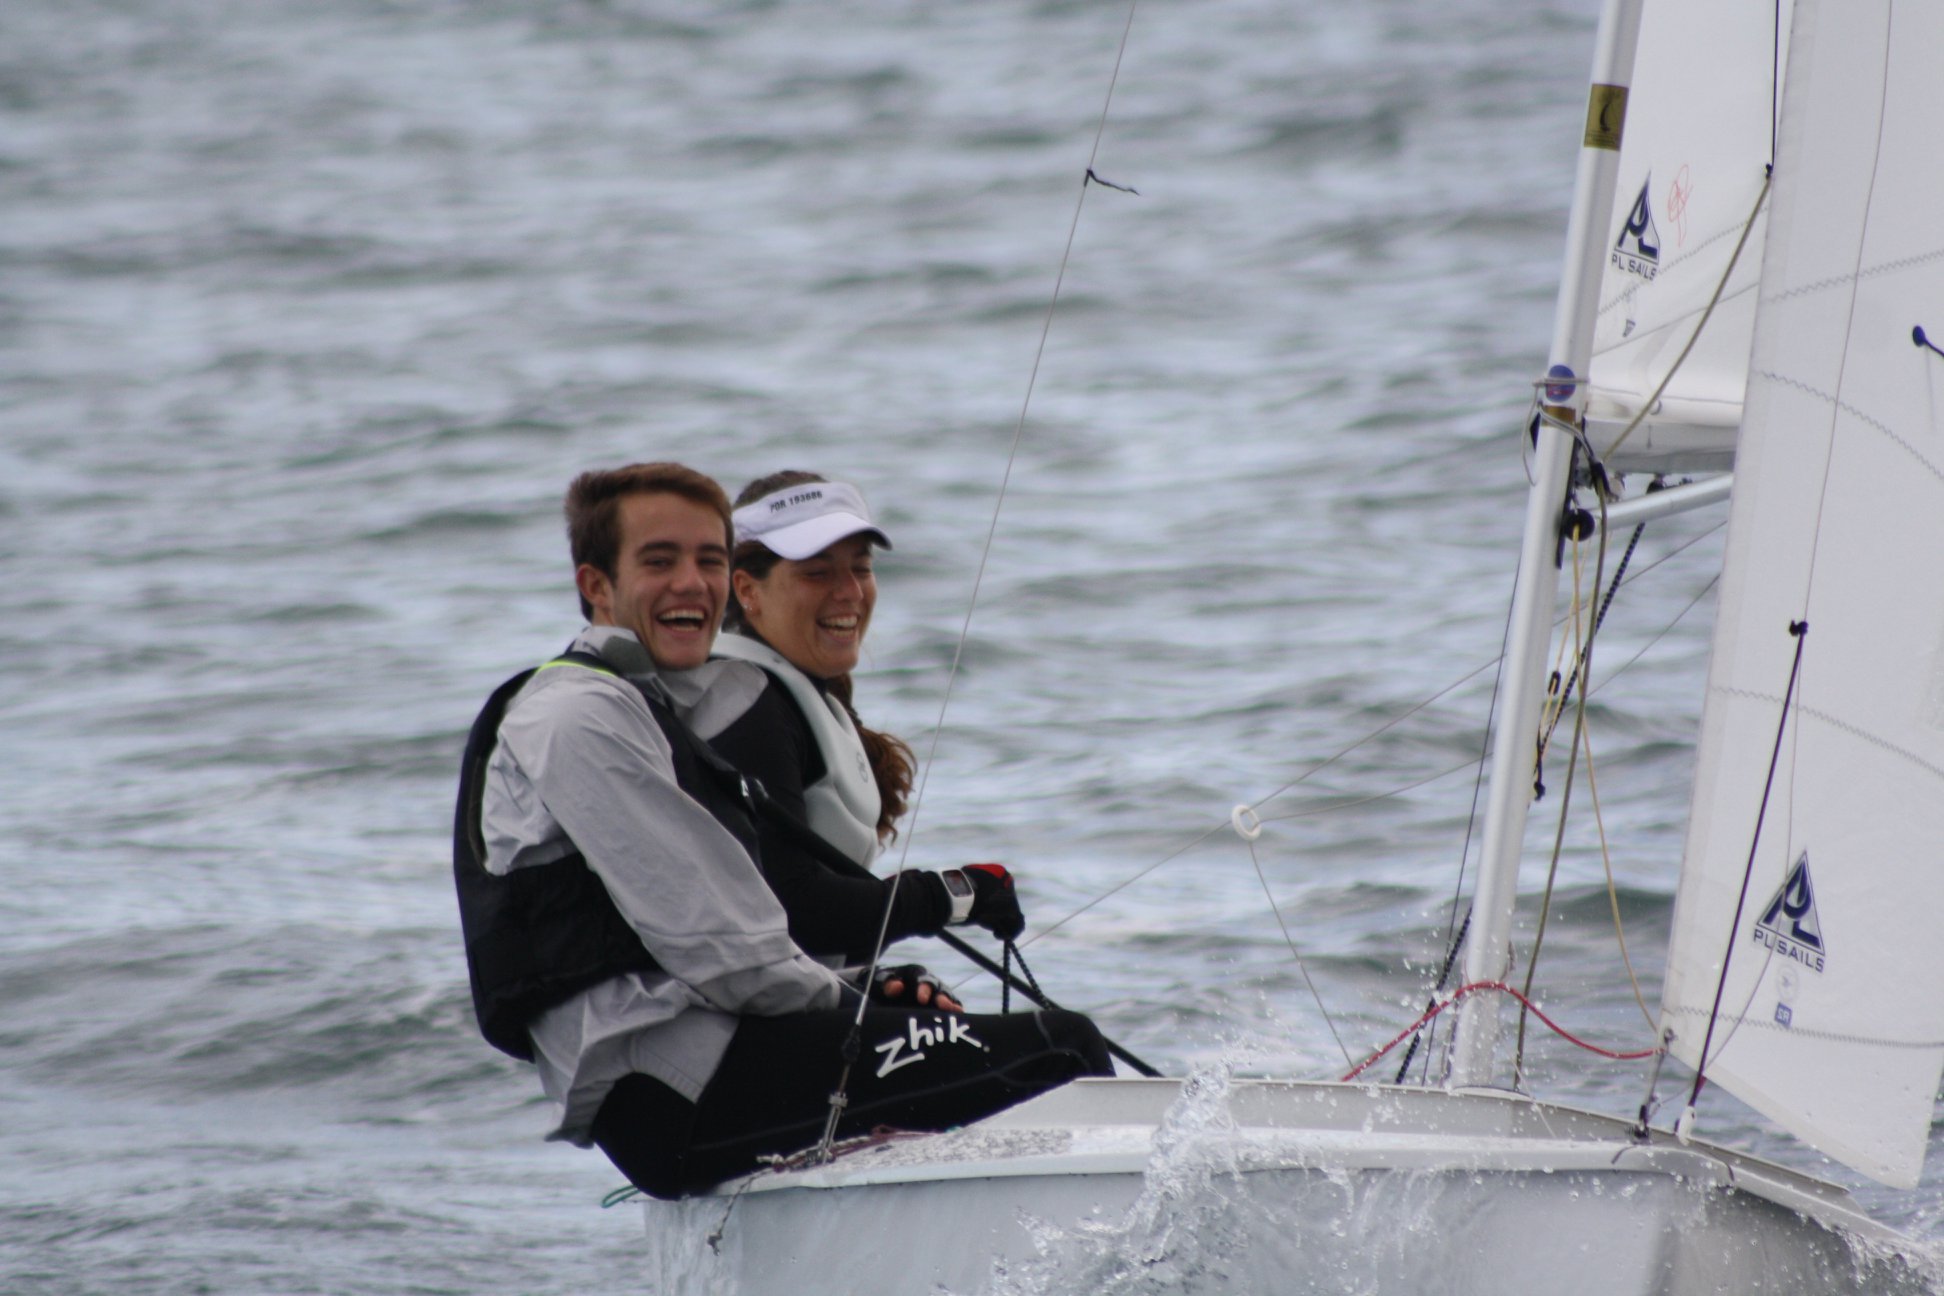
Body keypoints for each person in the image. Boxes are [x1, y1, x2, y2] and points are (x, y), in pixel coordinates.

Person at [452, 462, 1112, 1199]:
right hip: (674, 1090)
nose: (692, 583)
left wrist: (864, 986)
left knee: (1002, 1048)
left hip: (695, 1063)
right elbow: (721, 944)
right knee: (1061, 1048)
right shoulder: (580, 717)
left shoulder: (639, 704)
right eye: (660, 561)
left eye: (709, 560)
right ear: (597, 585)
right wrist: (861, 1002)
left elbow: (729, 947)